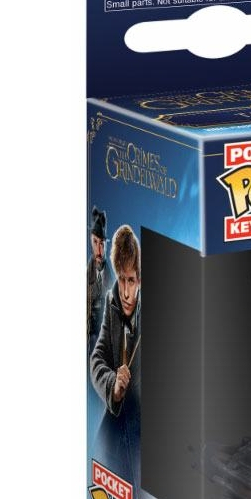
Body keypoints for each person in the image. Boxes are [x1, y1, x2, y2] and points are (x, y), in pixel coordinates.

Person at [90, 225, 142, 484]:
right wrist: (113, 385)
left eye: (130, 280)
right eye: (121, 279)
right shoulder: (113, 303)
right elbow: (96, 359)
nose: (125, 292)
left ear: (139, 280)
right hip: (114, 435)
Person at [86, 207, 110, 358]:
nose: (99, 250)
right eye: (95, 242)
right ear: (91, 240)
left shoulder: (112, 277)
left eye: (102, 243)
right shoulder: (86, 277)